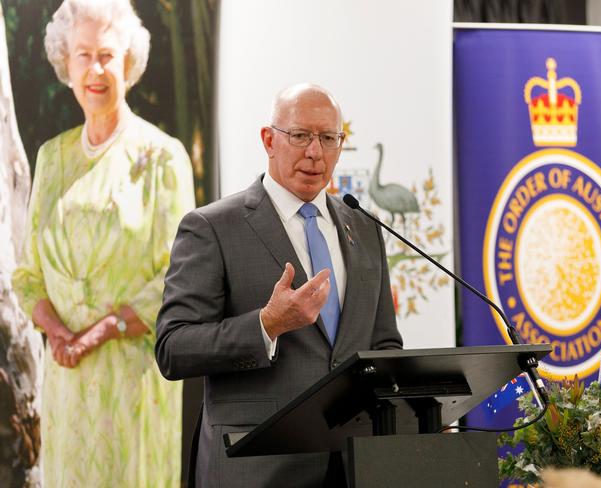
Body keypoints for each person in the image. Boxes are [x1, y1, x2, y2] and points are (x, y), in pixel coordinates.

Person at [155, 83, 402, 487]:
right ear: (269, 140)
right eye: (300, 135)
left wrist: (411, 408)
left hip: (355, 467)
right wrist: (266, 325)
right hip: (256, 465)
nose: (314, 152)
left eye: (328, 138)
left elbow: (385, 344)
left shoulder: (365, 227)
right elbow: (173, 349)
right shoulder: (212, 227)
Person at [11, 0, 194, 485]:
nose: (96, 69)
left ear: (128, 62)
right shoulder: (51, 158)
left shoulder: (163, 156)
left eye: (107, 55)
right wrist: (60, 334)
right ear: (65, 65)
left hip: (132, 383)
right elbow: (28, 276)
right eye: (83, 55)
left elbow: (177, 280)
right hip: (67, 386)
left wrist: (98, 332)